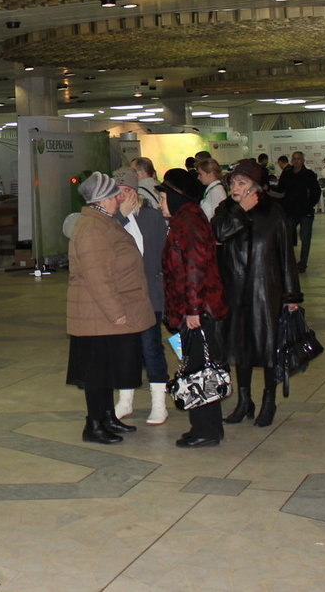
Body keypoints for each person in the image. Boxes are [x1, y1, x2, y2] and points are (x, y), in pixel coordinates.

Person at [65, 173, 155, 445]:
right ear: (103, 199)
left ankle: (107, 417)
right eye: (115, 195)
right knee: (95, 373)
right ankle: (94, 425)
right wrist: (115, 312)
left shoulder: (102, 221)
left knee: (106, 370)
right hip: (97, 314)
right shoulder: (93, 228)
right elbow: (97, 276)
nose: (119, 198)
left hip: (101, 314)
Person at [211, 159, 302, 428]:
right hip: (235, 290)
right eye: (233, 182)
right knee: (241, 348)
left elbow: (285, 254)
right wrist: (240, 210)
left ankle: (269, 400)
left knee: (268, 346)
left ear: (256, 187)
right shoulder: (226, 209)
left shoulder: (274, 211)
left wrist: (291, 296)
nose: (235, 187)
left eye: (242, 183)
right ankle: (244, 400)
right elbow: (218, 233)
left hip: (266, 290)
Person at [158, 172, 227, 448]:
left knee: (199, 369)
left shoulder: (188, 223)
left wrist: (194, 310)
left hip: (196, 311)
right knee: (199, 366)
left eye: (163, 198)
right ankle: (208, 426)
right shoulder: (184, 219)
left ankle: (205, 429)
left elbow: (195, 268)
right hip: (190, 308)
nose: (160, 203)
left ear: (177, 197)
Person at [111, 167, 171, 425]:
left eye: (126, 190)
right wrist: (121, 218)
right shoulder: (110, 219)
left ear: (135, 192)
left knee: (151, 348)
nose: (122, 196)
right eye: (117, 191)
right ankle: (125, 401)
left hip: (149, 295)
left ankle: (159, 404)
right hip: (122, 297)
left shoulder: (151, 217)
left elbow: (154, 256)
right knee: (125, 350)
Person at [278, 151, 322, 273]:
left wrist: (309, 205)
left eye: (299, 159)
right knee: (286, 238)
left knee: (305, 239)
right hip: (290, 212)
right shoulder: (287, 173)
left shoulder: (309, 174)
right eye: (294, 158)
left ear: (303, 161)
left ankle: (303, 264)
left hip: (305, 212)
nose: (296, 161)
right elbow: (280, 189)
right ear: (292, 160)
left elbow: (316, 192)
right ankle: (288, 263)